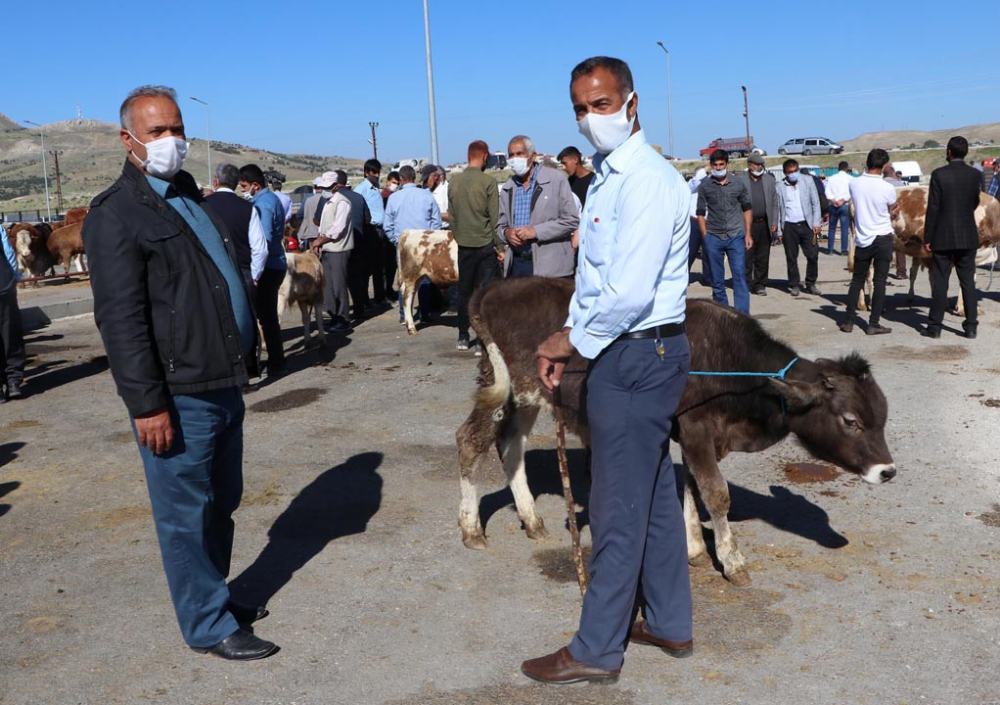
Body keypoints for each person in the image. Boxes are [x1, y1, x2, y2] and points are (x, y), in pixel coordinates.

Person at [81, 85, 276, 660]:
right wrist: (146, 403)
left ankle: (214, 594)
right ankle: (208, 624)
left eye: (176, 128)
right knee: (185, 513)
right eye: (158, 131)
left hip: (223, 380)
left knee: (222, 501)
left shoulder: (189, 195)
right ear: (129, 140)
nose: (172, 140)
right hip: (177, 392)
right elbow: (120, 320)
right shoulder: (116, 213)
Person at [525, 56, 692, 686]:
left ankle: (597, 647)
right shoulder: (610, 177)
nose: (591, 118)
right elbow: (596, 281)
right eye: (580, 107)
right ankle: (671, 620)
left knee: (616, 508)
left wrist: (570, 341)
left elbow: (626, 291)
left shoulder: (644, 179)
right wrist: (575, 331)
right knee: (649, 496)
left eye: (601, 104)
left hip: (635, 351)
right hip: (634, 350)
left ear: (631, 102)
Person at [921, 136, 982, 339]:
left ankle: (935, 327)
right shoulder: (975, 175)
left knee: (940, 281)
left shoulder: (939, 175)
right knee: (968, 282)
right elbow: (974, 201)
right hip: (967, 235)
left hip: (943, 236)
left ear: (948, 152)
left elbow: (933, 208)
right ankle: (971, 326)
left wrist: (927, 237)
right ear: (966, 153)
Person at [497, 134, 579, 279]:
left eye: (519, 154)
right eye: (511, 155)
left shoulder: (556, 180)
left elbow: (571, 220)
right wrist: (507, 233)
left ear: (533, 156)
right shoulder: (507, 188)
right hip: (518, 265)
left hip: (552, 266)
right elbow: (500, 226)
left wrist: (535, 231)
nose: (514, 159)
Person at [448, 140, 501, 351]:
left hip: (464, 245)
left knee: (464, 291)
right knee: (484, 292)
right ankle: (482, 340)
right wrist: (501, 247)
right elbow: (495, 218)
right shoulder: (488, 182)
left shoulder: (454, 182)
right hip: (486, 244)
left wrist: (461, 237)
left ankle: (462, 336)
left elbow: (452, 217)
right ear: (485, 156)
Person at [840, 149, 898, 335]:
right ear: (883, 166)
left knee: (857, 279)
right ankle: (873, 323)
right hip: (883, 237)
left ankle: (849, 320)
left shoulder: (854, 184)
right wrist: (892, 213)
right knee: (880, 281)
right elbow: (891, 209)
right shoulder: (888, 188)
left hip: (863, 238)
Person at [238, 164, 287, 376]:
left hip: (267, 266)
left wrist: (255, 270)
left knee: (265, 317)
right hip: (276, 262)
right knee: (267, 317)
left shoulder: (262, 206)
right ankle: (277, 359)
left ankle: (276, 361)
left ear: (255, 185)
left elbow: (263, 239)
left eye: (244, 186)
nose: (242, 190)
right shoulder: (270, 199)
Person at [383, 165, 441, 325]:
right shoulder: (427, 195)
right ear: (415, 177)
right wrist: (431, 238)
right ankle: (425, 313)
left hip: (404, 244)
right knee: (425, 278)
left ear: (401, 179)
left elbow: (387, 225)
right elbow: (436, 220)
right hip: (423, 243)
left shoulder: (394, 198)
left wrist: (396, 240)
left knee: (404, 280)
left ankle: (404, 314)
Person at [696, 149, 752, 313]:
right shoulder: (705, 186)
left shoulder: (738, 183)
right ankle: (723, 313)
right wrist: (705, 236)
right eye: (715, 165)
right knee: (717, 279)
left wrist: (748, 233)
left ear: (727, 164)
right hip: (713, 235)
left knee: (739, 276)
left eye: (721, 164)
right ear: (711, 165)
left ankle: (742, 315)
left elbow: (747, 208)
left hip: (735, 235)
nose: (718, 168)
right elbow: (700, 213)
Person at [205, 162, 268, 289]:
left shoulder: (202, 205)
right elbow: (260, 249)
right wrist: (255, 276)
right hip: (242, 273)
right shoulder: (248, 208)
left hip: (210, 272)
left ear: (215, 181)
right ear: (236, 183)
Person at [311, 171, 354, 333]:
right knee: (328, 286)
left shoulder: (342, 202)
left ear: (336, 186)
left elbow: (338, 228)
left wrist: (320, 240)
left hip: (339, 249)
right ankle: (334, 316)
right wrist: (319, 241)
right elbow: (323, 226)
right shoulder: (328, 202)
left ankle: (343, 319)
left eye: (327, 187)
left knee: (338, 285)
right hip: (328, 248)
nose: (324, 190)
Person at [775, 158, 822, 297]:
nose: (793, 174)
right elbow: (777, 209)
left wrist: (816, 223)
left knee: (813, 255)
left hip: (807, 225)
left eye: (796, 171)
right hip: (789, 226)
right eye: (790, 172)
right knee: (791, 257)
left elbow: (816, 203)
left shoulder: (807, 181)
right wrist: (779, 230)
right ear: (785, 173)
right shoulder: (779, 186)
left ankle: (811, 283)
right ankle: (794, 284)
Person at [736, 154, 778, 296]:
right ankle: (746, 283)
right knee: (747, 255)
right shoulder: (740, 180)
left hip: (764, 223)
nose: (759, 166)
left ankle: (760, 284)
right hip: (746, 224)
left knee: (762, 256)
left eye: (761, 164)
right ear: (749, 164)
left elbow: (774, 202)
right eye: (756, 164)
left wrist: (774, 222)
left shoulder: (769, 180)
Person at [337, 171, 373, 323]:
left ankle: (342, 313)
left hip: (338, 245)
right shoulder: (358, 197)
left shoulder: (331, 199)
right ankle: (360, 308)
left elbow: (318, 220)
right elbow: (368, 218)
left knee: (339, 279)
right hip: (358, 242)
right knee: (357, 277)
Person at [355, 159, 387, 303]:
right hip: (369, 230)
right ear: (367, 173)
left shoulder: (376, 188)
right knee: (366, 268)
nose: (377, 175)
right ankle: (364, 299)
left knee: (379, 267)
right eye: (374, 172)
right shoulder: (361, 190)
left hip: (380, 230)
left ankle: (380, 297)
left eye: (378, 172)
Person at [0, 222, 26, 402]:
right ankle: (13, 381)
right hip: (2, 284)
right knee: (10, 332)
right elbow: (8, 251)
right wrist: (15, 277)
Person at [881, 165, 908, 279]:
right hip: (897, 219)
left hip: (882, 219)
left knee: (884, 247)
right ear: (893, 174)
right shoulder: (900, 185)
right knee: (900, 245)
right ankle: (901, 271)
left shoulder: (880, 184)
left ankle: (883, 271)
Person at [379, 171, 402, 301]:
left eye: (397, 183)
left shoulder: (395, 196)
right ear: (387, 182)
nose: (395, 185)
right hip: (386, 236)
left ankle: (388, 289)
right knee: (386, 266)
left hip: (391, 234)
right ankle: (386, 291)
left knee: (392, 266)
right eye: (393, 183)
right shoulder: (385, 196)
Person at [824, 161, 852, 255]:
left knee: (832, 228)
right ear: (847, 168)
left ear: (838, 168)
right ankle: (844, 250)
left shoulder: (832, 178)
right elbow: (851, 192)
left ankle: (830, 249)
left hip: (833, 205)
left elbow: (827, 191)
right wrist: (843, 201)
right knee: (844, 229)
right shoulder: (850, 178)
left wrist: (833, 200)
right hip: (844, 205)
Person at [296, 177, 323, 253]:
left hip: (312, 234)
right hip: (325, 235)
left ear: (314, 187)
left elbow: (304, 218)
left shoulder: (308, 200)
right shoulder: (328, 199)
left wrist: (301, 234)